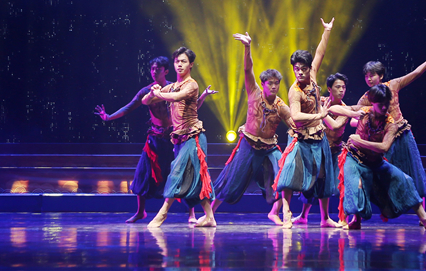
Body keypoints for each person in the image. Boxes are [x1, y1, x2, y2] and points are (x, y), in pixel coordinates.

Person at [94, 56, 216, 223]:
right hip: (155, 137)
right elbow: (130, 107)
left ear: (166, 71)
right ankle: (140, 212)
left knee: (183, 172)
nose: (154, 72)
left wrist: (202, 97)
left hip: (174, 137)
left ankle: (191, 214)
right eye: (152, 69)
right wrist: (108, 117)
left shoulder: (174, 88)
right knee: (143, 173)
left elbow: (191, 109)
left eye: (157, 69)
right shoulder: (146, 91)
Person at [200, 32, 294, 226]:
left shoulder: (281, 106)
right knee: (232, 179)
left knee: (283, 174)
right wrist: (247, 47)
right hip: (249, 144)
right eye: (270, 83)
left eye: (277, 83)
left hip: (269, 147)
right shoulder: (254, 92)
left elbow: (294, 123)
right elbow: (247, 68)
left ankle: (276, 212)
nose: (274, 86)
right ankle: (210, 214)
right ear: (263, 84)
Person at [274, 18, 359, 228]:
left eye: (303, 68)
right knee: (290, 174)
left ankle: (324, 218)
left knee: (323, 177)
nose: (300, 72)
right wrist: (319, 116)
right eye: (296, 69)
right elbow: (295, 116)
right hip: (300, 138)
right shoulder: (295, 91)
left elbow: (320, 53)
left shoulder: (312, 77)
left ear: (308, 68)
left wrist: (327, 31)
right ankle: (286, 212)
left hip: (318, 138)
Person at [339, 84, 426, 230]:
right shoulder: (364, 111)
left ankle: (425, 219)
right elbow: (334, 109)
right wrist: (350, 113)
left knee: (405, 180)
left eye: (386, 104)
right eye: (380, 104)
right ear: (373, 103)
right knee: (357, 185)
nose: (384, 108)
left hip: (376, 162)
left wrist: (359, 141)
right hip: (355, 159)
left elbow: (384, 147)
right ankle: (356, 220)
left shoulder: (390, 124)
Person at [357, 49, 426, 202]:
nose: (369, 79)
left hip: (403, 135)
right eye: (366, 76)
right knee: (385, 175)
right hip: (385, 139)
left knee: (414, 172)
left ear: (380, 76)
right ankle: (388, 208)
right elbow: (354, 114)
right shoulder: (366, 98)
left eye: (372, 75)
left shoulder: (393, 85)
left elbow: (416, 73)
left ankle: (422, 211)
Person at [142, 47, 217, 228]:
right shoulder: (172, 86)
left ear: (191, 65)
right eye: (177, 61)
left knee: (176, 172)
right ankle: (210, 217)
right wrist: (152, 93)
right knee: (197, 178)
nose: (179, 64)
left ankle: (162, 213)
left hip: (194, 137)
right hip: (179, 139)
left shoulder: (192, 85)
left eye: (183, 61)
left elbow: (176, 97)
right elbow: (145, 101)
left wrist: (159, 93)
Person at [293, 73, 352, 226]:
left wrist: (320, 111)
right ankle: (303, 216)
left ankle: (340, 218)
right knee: (311, 184)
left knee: (338, 185)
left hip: (335, 152)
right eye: (338, 87)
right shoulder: (321, 102)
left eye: (344, 87)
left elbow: (335, 126)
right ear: (329, 89)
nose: (342, 90)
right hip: (318, 150)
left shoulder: (345, 109)